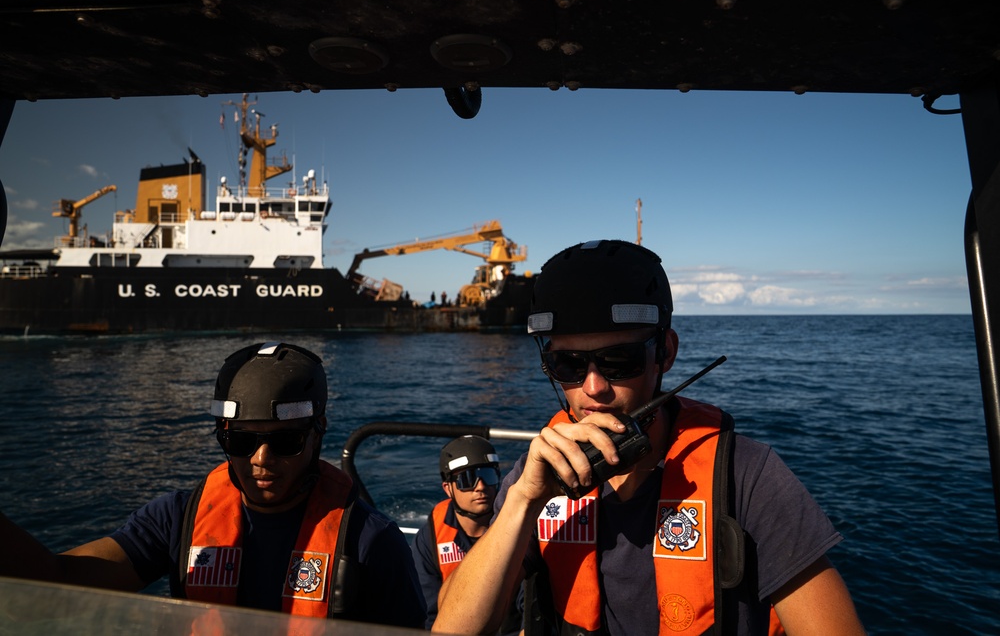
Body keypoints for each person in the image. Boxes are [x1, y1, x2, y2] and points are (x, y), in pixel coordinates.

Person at [433, 240, 865, 635]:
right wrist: (524, 500)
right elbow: (452, 628)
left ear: (666, 353)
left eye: (619, 360)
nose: (593, 387)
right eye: (567, 364)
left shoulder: (745, 476)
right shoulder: (537, 475)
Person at [0, 341, 426, 628]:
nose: (261, 459)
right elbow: (59, 576)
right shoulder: (174, 519)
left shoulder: (371, 541)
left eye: (285, 441)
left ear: (319, 433)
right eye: (240, 440)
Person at [412, 436, 520, 632]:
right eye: (466, 479)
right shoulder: (430, 538)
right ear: (448, 488)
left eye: (488, 476)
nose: (480, 487)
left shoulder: (519, 528)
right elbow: (427, 613)